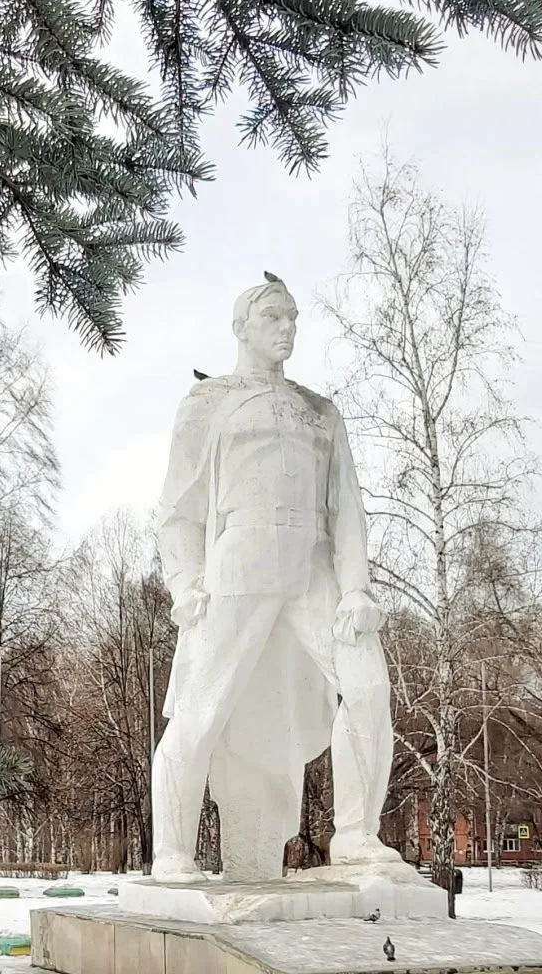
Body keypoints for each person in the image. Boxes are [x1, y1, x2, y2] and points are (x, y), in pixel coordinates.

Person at [150, 275, 400, 882]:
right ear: (242, 327)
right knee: (199, 709)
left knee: (367, 689)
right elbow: (177, 509)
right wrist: (186, 585)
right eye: (273, 318)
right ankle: (173, 852)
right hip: (239, 561)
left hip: (313, 565)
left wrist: (358, 587)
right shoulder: (208, 403)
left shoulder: (321, 410)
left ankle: (357, 837)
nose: (286, 328)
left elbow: (346, 509)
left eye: (292, 318)